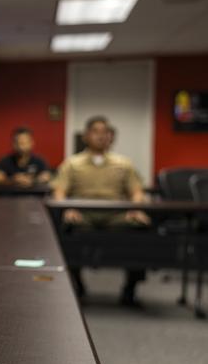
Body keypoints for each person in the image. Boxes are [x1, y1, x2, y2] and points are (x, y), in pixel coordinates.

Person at [51, 116, 150, 305]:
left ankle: (131, 287)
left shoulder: (123, 163)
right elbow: (59, 192)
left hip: (115, 215)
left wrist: (135, 208)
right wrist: (67, 208)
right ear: (86, 136)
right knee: (66, 230)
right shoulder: (72, 163)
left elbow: (137, 191)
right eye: (96, 131)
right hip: (83, 215)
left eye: (105, 132)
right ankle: (77, 284)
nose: (101, 136)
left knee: (141, 228)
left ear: (111, 137)